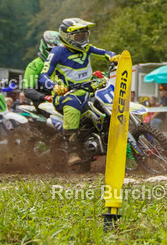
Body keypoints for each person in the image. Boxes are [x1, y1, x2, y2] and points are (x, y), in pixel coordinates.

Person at [39, 18, 120, 166]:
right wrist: (54, 86)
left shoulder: (86, 48)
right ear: (67, 37)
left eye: (84, 35)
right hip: (65, 95)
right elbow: (43, 76)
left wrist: (113, 56)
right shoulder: (57, 52)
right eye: (78, 36)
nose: (83, 39)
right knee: (73, 106)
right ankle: (72, 151)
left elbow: (104, 52)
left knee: (105, 104)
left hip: (87, 91)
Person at [23, 31, 60, 105]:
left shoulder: (63, 64)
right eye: (51, 50)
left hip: (62, 100)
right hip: (43, 102)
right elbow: (28, 90)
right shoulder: (35, 65)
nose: (54, 53)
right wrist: (44, 97)